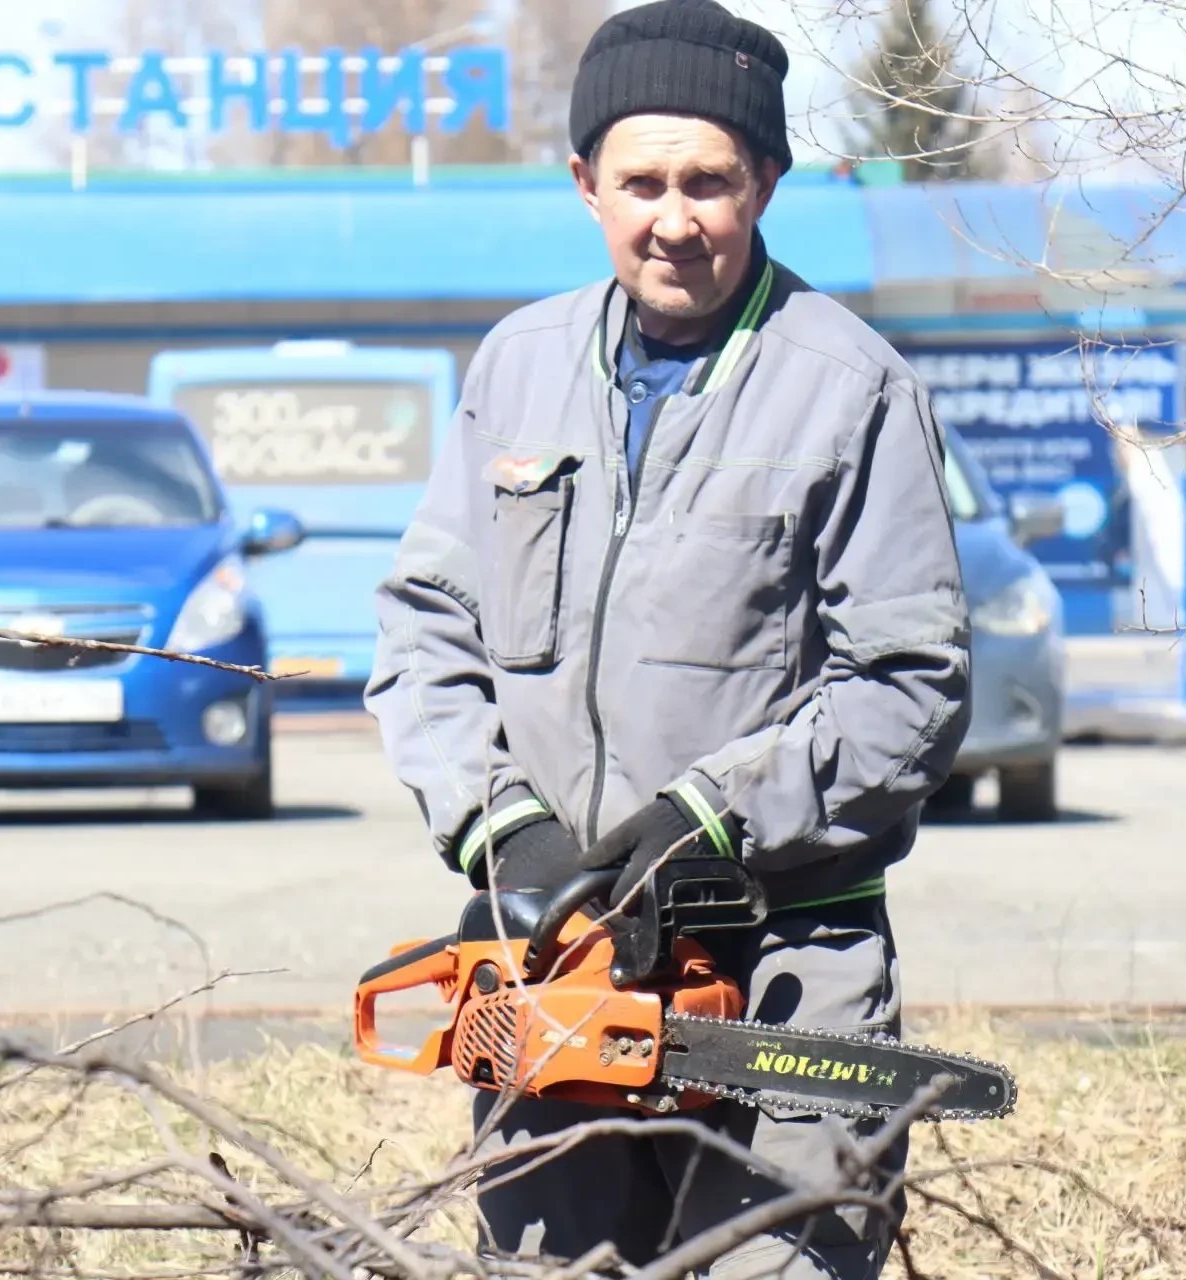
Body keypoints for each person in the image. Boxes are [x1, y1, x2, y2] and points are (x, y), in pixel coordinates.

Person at [363, 1, 972, 1273]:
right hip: (557, 967)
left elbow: (909, 686)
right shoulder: (518, 368)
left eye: (710, 182)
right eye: (642, 183)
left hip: (783, 969)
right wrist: (502, 826)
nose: (675, 220)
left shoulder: (851, 387)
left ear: (767, 185)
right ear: (585, 184)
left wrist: (712, 815)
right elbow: (426, 628)